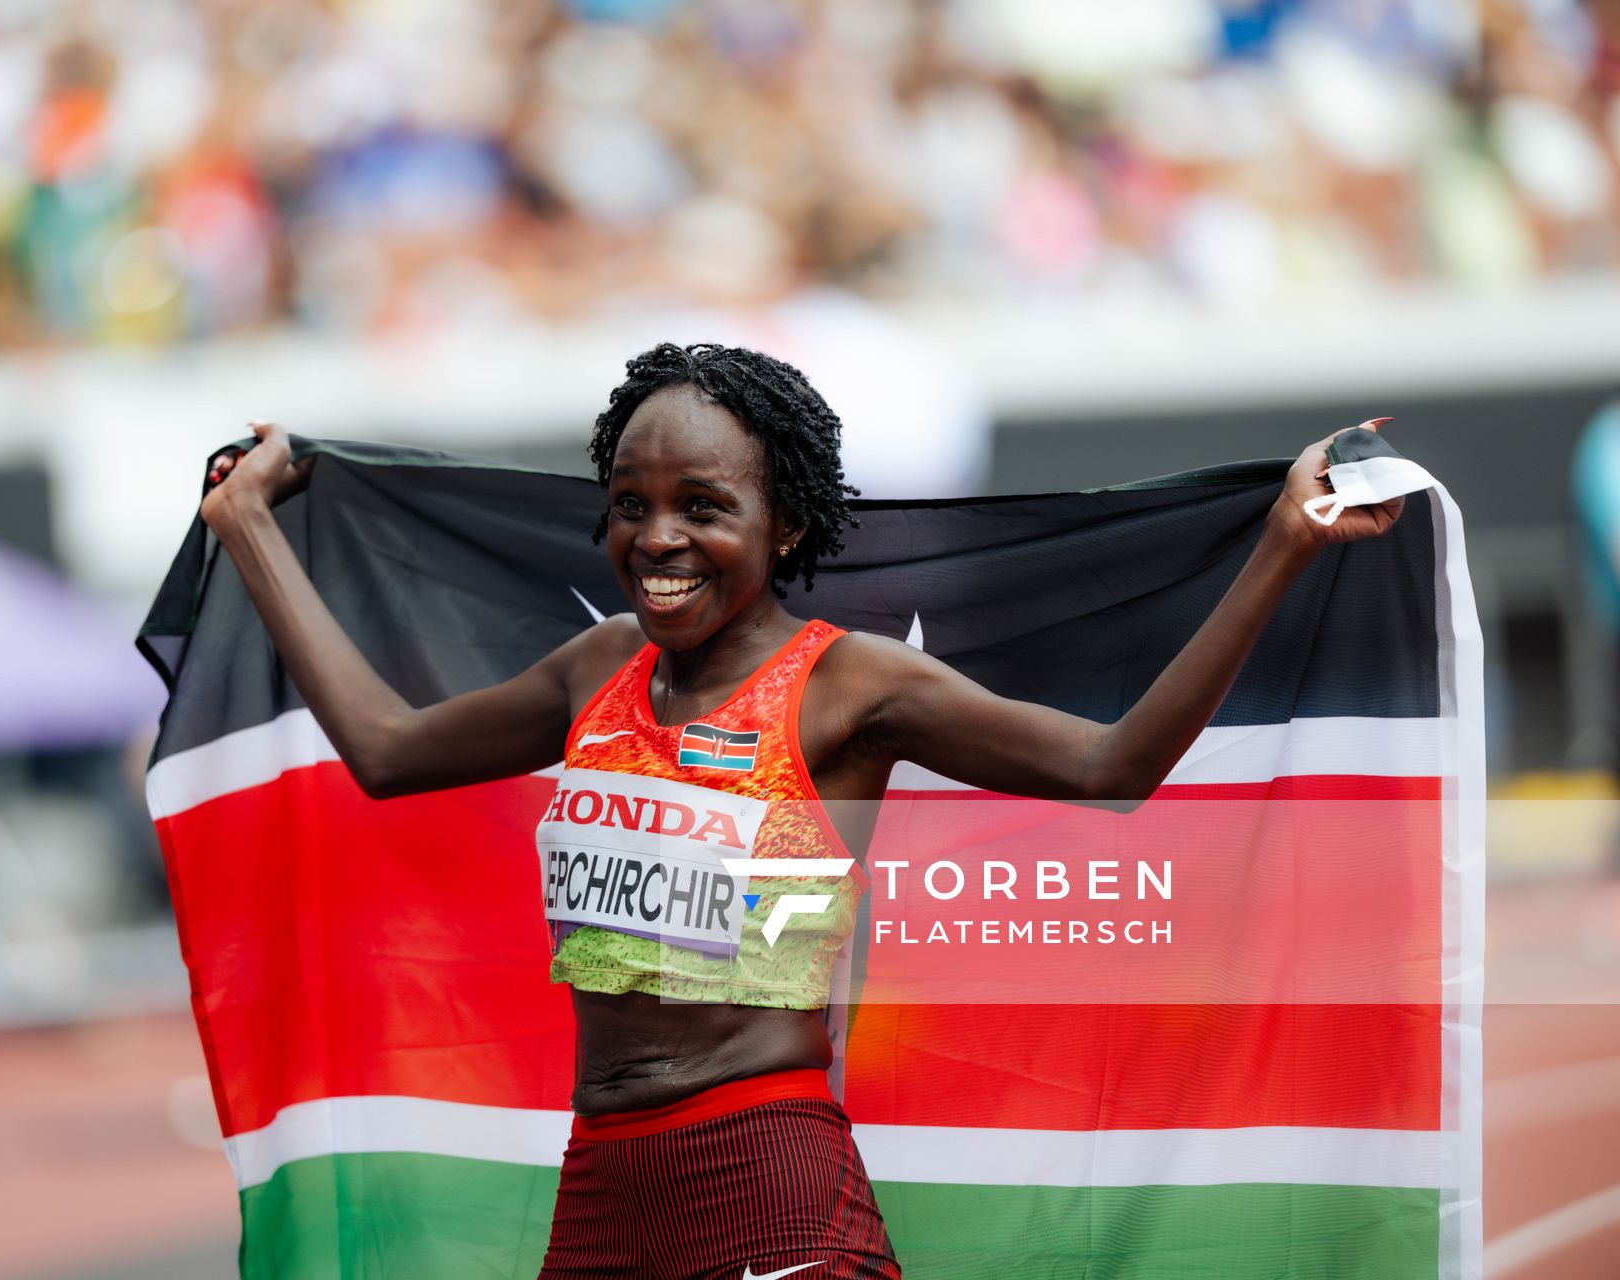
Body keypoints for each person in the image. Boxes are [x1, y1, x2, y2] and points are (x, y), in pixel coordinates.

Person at [197, 341, 1402, 1280]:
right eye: (629, 501)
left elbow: (1110, 765)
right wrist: (249, 525)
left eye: (704, 506)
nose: (657, 537)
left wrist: (1286, 543)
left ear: (790, 525)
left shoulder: (849, 684)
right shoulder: (594, 669)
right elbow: (390, 750)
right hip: (603, 1182)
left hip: (764, 1163)